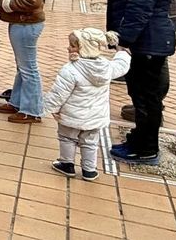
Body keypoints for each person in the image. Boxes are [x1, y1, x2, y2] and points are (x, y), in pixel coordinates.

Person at [104, 0, 176, 164]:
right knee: (141, 96)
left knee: (146, 98)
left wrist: (124, 40)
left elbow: (139, 8)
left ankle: (146, 149)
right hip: (146, 41)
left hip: (147, 43)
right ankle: (140, 139)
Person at [44, 28, 131, 181]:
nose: (68, 48)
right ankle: (89, 170)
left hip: (72, 115)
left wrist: (49, 108)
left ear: (83, 48)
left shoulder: (70, 70)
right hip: (95, 116)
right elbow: (121, 66)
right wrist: (123, 53)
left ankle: (67, 164)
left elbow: (59, 93)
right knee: (90, 142)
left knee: (66, 138)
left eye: (73, 46)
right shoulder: (106, 68)